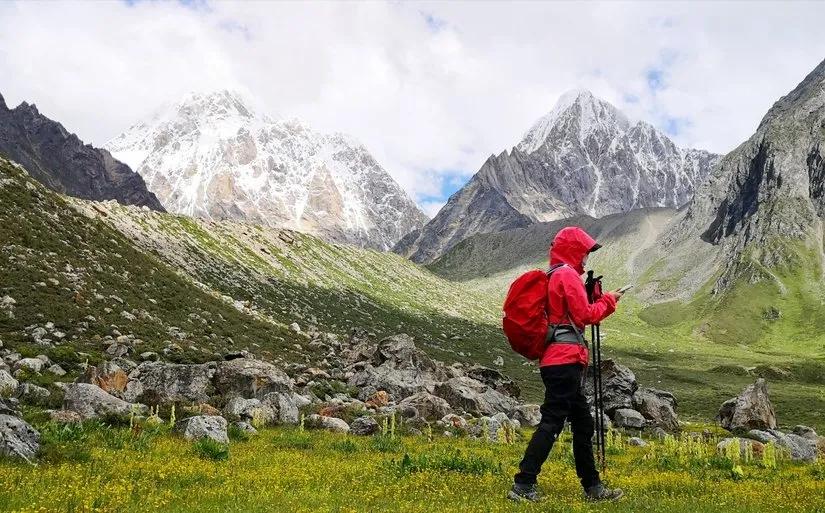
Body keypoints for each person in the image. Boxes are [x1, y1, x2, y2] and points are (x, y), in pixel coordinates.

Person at [508, 226, 624, 502]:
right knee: (553, 421)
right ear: (574, 250)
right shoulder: (567, 275)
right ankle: (523, 484)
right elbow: (585, 316)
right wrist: (609, 301)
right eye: (585, 252)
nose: (586, 258)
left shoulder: (554, 274)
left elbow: (569, 312)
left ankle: (593, 487)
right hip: (566, 361)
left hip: (556, 360)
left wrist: (593, 297)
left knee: (582, 423)